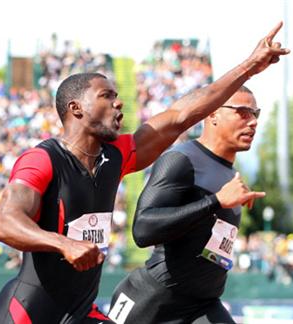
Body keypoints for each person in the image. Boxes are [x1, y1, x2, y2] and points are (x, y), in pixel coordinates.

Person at [0, 22, 289, 324]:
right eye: (106, 95)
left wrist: (250, 66)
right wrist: (63, 243)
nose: (118, 103)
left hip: (79, 314)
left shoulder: (116, 155)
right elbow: (6, 224)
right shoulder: (42, 159)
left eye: (117, 95)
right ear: (76, 108)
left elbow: (181, 116)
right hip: (26, 313)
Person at [108, 85, 263, 324]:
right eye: (243, 112)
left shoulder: (231, 175)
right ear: (212, 113)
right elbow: (142, 230)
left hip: (202, 306)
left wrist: (220, 204)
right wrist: (216, 201)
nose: (252, 122)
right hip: (153, 303)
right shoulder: (182, 159)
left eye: (255, 114)